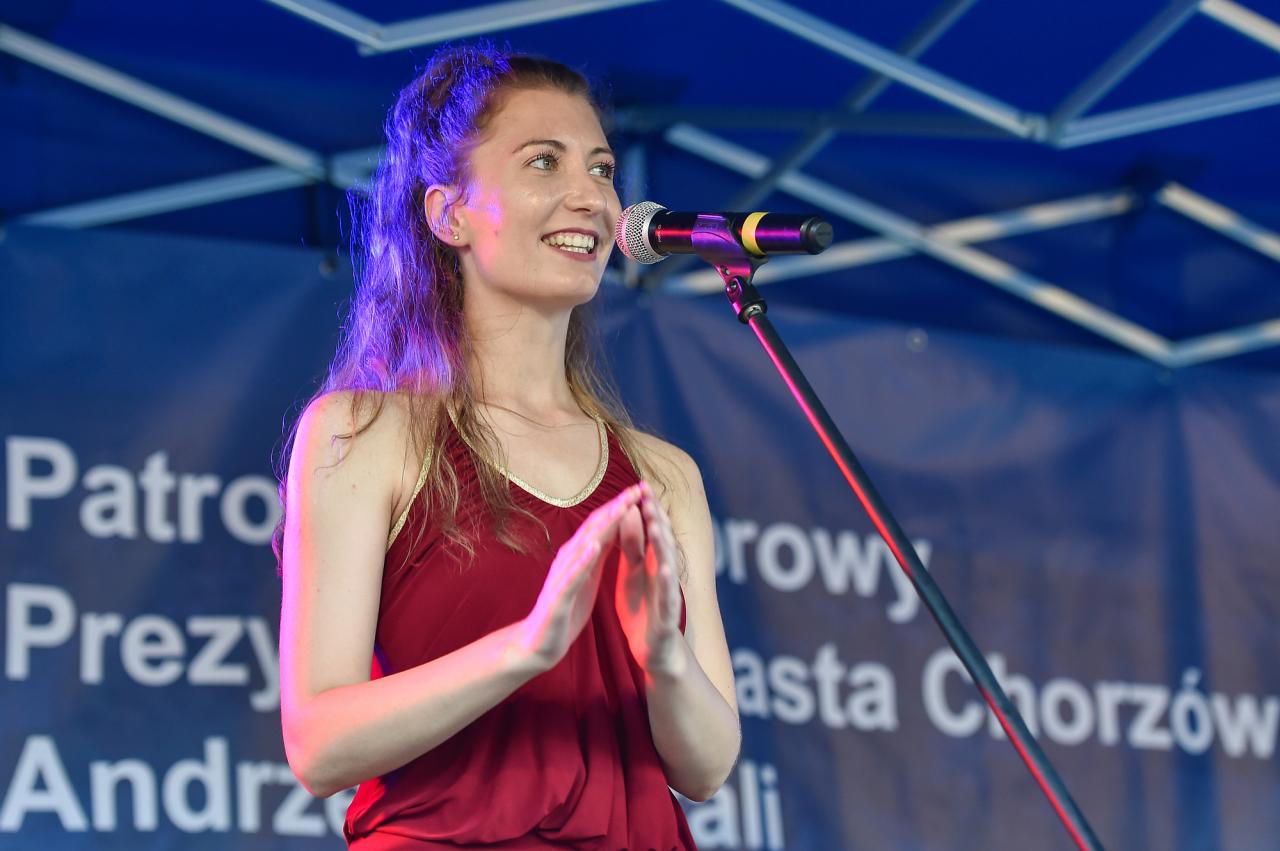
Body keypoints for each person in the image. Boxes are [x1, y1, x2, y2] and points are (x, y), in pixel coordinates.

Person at [273, 43, 741, 850]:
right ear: (448, 214)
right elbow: (318, 743)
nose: (591, 196)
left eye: (601, 168)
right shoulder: (361, 431)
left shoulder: (664, 475)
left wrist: (664, 656)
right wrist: (526, 648)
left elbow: (707, 767)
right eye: (543, 162)